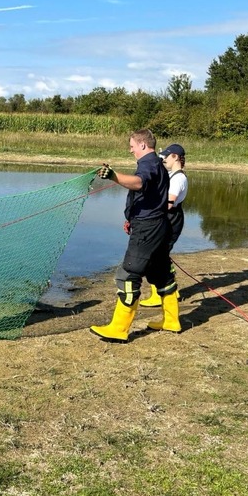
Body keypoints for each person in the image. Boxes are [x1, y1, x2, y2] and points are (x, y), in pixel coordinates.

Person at [90, 129, 180, 342]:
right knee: (161, 273)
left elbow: (139, 183)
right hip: (156, 226)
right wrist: (132, 217)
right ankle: (171, 321)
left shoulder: (148, 164)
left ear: (142, 145)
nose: (130, 150)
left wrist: (113, 176)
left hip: (148, 229)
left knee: (128, 274)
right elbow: (148, 194)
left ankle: (119, 329)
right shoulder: (156, 163)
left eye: (132, 146)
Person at [139, 143, 188, 307]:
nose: (163, 160)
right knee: (159, 256)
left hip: (171, 219)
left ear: (175, 157)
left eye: (166, 157)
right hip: (166, 218)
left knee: (158, 256)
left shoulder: (179, 178)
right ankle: (164, 292)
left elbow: (168, 203)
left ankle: (166, 292)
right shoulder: (171, 174)